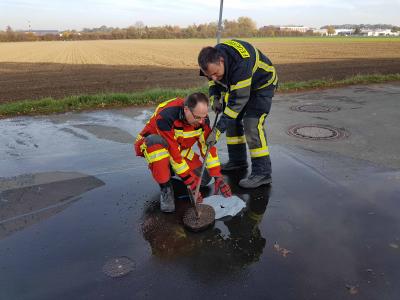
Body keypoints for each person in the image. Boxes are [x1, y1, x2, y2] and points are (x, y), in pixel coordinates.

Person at [198, 39, 278, 188]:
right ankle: (238, 161)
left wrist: (216, 131)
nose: (214, 78)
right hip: (239, 85)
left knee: (252, 124)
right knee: (233, 123)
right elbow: (212, 81)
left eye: (216, 73)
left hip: (261, 85)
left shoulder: (240, 65)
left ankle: (263, 173)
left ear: (221, 61)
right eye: (210, 75)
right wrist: (214, 97)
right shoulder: (211, 59)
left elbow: (236, 104)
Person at [134, 92, 232, 213]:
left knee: (204, 180)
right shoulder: (166, 116)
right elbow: (174, 154)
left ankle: (171, 169)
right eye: (197, 117)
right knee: (157, 146)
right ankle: (166, 189)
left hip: (179, 150)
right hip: (152, 144)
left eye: (204, 117)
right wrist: (189, 182)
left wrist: (217, 176)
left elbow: (208, 148)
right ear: (186, 110)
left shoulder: (201, 119)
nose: (202, 121)